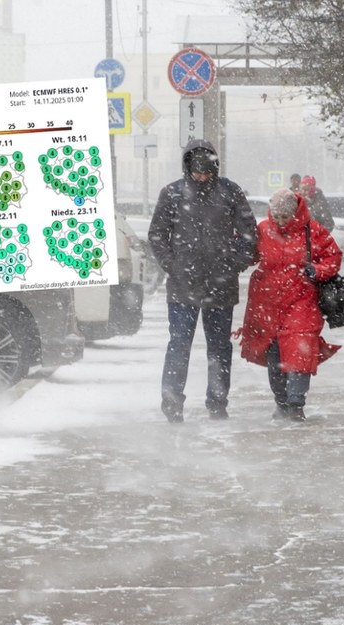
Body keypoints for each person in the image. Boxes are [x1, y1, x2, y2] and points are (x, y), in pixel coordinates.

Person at [148, 139, 257, 423]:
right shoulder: (172, 194)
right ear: (188, 168)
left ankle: (218, 402)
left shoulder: (230, 192)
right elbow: (157, 235)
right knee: (179, 344)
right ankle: (172, 405)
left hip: (221, 284)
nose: (202, 177)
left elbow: (249, 234)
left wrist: (233, 264)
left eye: (207, 173)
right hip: (183, 285)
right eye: (197, 173)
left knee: (219, 347)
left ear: (215, 169)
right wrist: (172, 265)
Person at [238, 188, 342, 422]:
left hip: (302, 299)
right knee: (274, 355)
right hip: (268, 301)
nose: (281, 221)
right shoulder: (263, 229)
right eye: (277, 216)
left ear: (295, 214)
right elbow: (250, 255)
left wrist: (316, 270)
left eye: (286, 217)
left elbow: (333, 256)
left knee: (299, 350)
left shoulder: (312, 230)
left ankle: (296, 404)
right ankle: (281, 401)